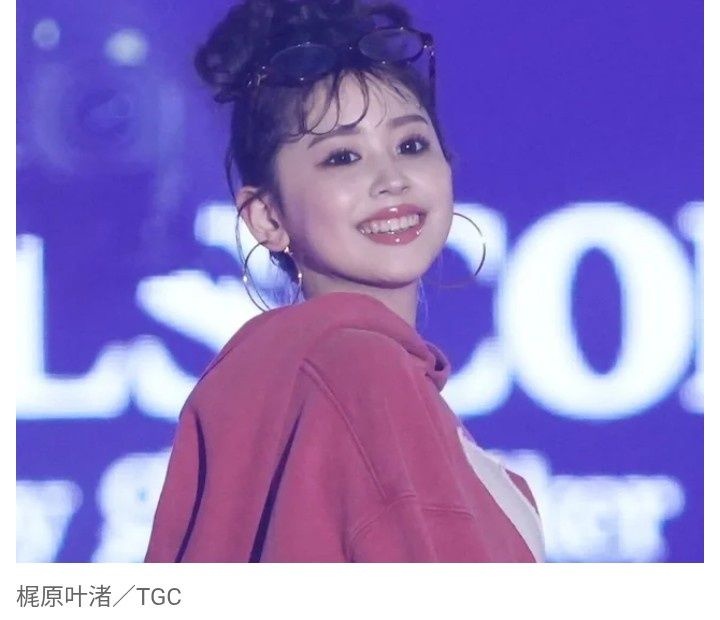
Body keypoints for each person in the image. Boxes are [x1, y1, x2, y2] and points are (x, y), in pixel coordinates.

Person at [145, 0, 545, 562]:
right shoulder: (356, 370)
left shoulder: (309, 378)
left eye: (411, 145)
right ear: (267, 217)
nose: (391, 178)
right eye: (342, 157)